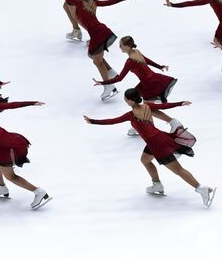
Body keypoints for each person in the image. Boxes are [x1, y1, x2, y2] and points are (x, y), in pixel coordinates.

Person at [84, 88, 215, 207]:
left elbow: (112, 121)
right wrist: (180, 103)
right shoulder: (147, 106)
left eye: (125, 99)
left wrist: (93, 121)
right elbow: (164, 106)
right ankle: (157, 184)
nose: (124, 101)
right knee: (145, 160)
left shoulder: (131, 114)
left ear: (130, 101)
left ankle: (201, 188)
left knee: (178, 170)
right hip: (157, 139)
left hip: (157, 144)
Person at [57, 0, 132, 101]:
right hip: (102, 31)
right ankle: (111, 73)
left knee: (97, 61)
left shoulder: (78, 3)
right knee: (92, 55)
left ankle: (109, 86)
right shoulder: (93, 3)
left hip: (97, 34)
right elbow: (108, 2)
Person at [93, 36, 184, 136]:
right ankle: (142, 124)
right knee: (138, 101)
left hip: (150, 84)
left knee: (147, 107)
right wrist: (159, 66)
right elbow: (146, 60)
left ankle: (171, 122)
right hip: (152, 79)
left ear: (127, 47)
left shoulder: (130, 62)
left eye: (121, 45)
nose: (119, 47)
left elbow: (120, 78)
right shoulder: (136, 51)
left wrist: (103, 82)